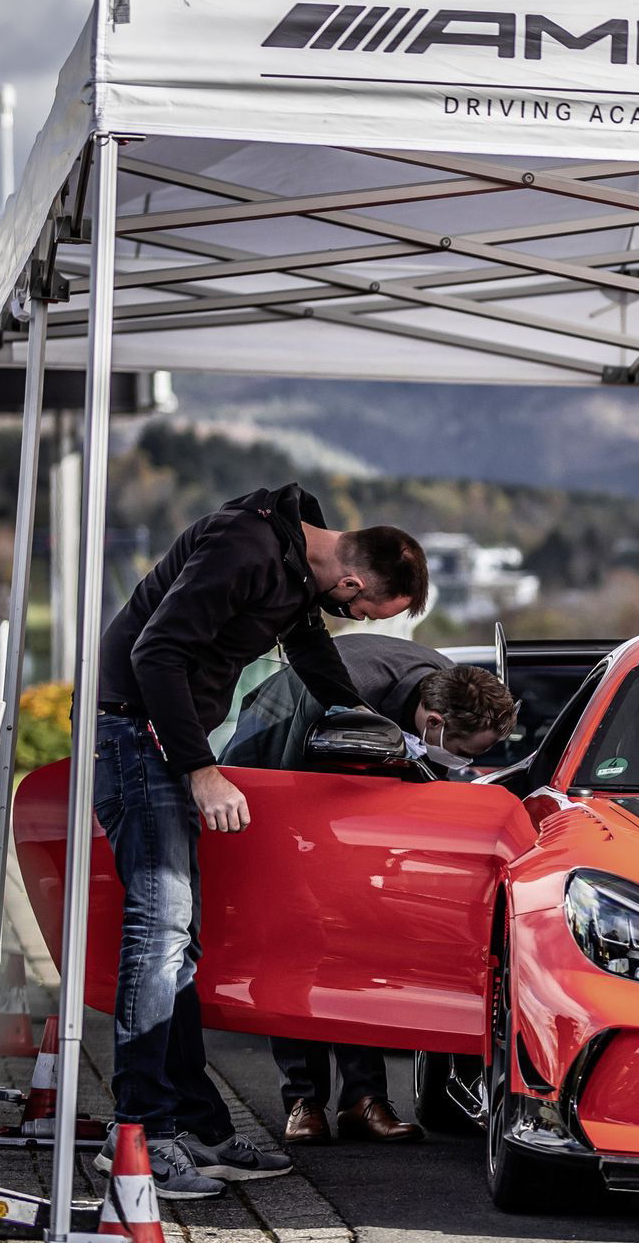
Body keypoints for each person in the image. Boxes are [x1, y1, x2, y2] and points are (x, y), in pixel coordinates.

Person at [92, 483, 427, 1199]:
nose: (364, 621)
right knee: (158, 936)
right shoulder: (244, 548)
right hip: (132, 735)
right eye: (369, 610)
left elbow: (309, 651)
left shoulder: (293, 566)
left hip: (157, 744)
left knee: (178, 943)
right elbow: (156, 653)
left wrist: (369, 725)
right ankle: (138, 1135)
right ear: (350, 582)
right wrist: (202, 771)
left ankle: (196, 1127)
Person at [224, 634, 516, 1144]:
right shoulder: (338, 698)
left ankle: (363, 1099)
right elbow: (293, 796)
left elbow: (426, 780)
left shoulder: (452, 685)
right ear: (434, 724)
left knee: (361, 950)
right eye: (468, 755)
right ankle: (303, 1101)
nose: (468, 765)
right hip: (277, 779)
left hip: (355, 801)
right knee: (297, 948)